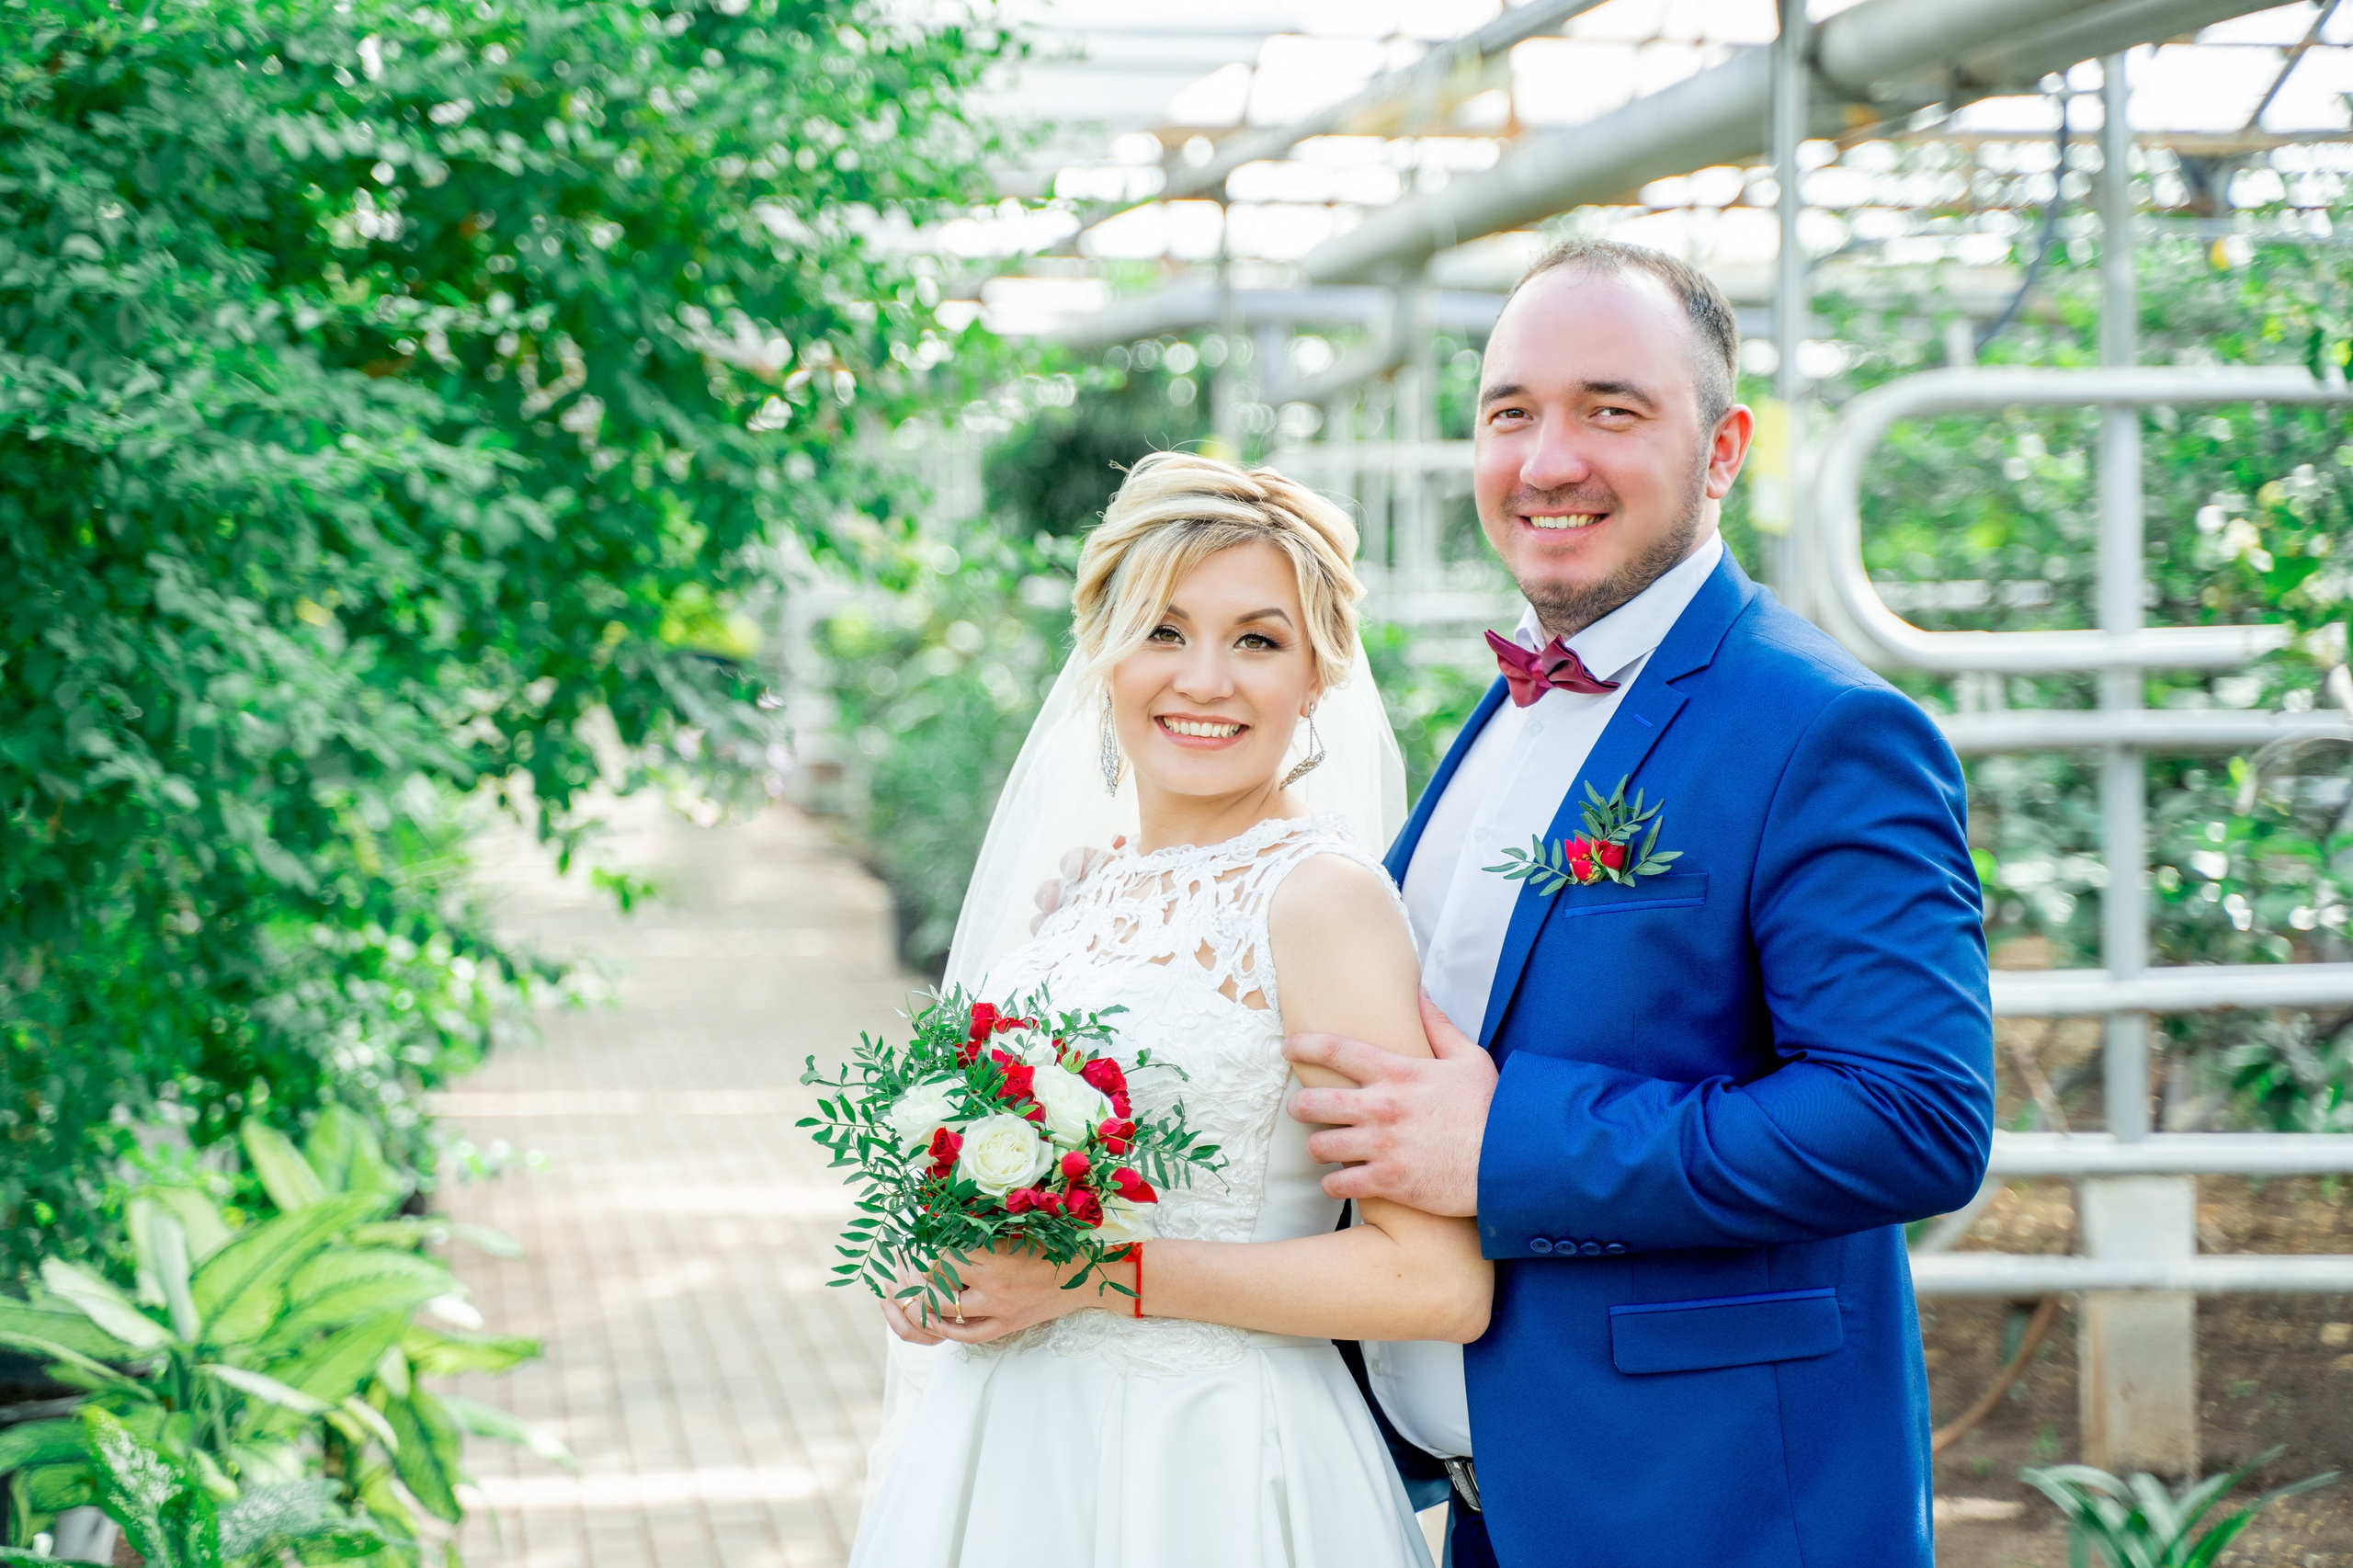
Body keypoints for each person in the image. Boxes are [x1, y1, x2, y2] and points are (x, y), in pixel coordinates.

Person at [1280, 238, 1996, 1568]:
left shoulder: (1825, 728)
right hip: (1488, 1514)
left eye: (1610, 410)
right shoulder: (1506, 706)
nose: (1547, 460)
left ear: (1722, 451)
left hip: (1710, 1517)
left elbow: (1913, 1118)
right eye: (1511, 413)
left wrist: (1507, 1142)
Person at [847, 452, 1489, 1568]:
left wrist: (1088, 1276)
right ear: (1104, 650)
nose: (1203, 678)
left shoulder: (1321, 900)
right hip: (1007, 1448)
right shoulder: (1083, 893)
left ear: (1317, 674)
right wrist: (947, 1262)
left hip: (1209, 1458)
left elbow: (1430, 1279)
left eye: (1257, 640)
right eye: (1163, 630)